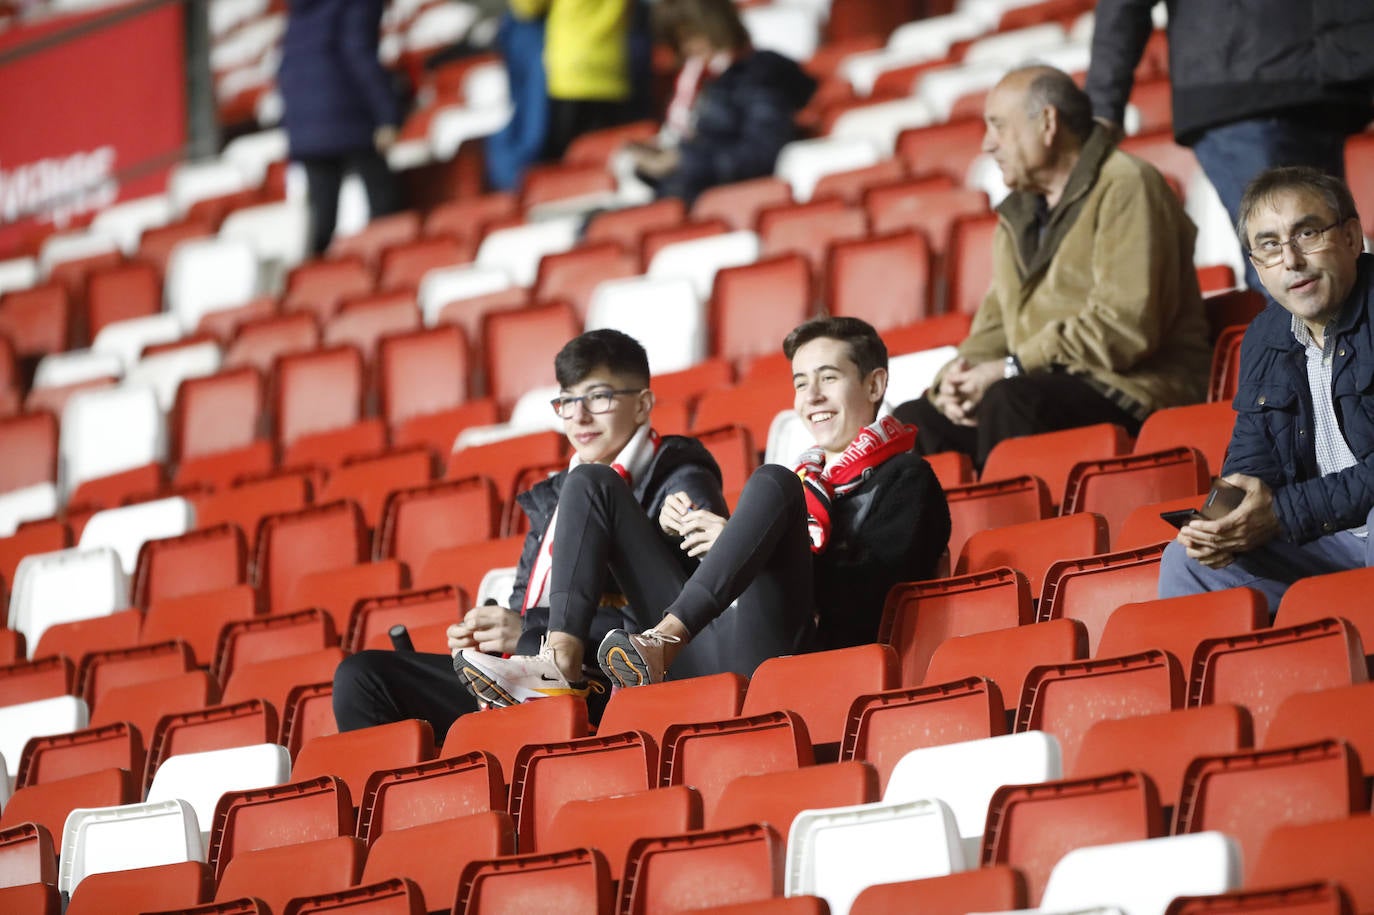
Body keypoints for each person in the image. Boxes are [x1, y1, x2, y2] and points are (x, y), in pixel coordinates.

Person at [457, 317, 951, 706]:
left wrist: (758, 548)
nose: (812, 397)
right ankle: (559, 660)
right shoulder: (810, 478)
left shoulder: (907, 480)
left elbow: (868, 602)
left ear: (873, 384)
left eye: (828, 378)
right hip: (711, 643)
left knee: (772, 480)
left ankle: (662, 641)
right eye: (801, 383)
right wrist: (729, 542)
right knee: (590, 480)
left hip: (799, 654)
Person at [332, 329, 726, 738]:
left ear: (643, 404)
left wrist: (525, 629)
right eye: (568, 401)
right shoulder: (556, 493)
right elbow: (527, 606)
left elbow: (686, 611)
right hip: (529, 665)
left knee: (585, 495)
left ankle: (549, 671)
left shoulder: (680, 477)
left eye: (598, 397)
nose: (580, 416)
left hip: (617, 673)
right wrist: (490, 637)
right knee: (362, 677)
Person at [893, 65, 1211, 471]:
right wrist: (956, 380)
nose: (988, 145)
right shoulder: (1018, 214)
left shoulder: (1127, 184)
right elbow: (993, 328)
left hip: (1135, 389)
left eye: (998, 127)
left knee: (1010, 399)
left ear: (1047, 123)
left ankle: (1010, 534)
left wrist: (1012, 367)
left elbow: (1126, 327)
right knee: (913, 422)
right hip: (1040, 385)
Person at [1159, 167, 1374, 613]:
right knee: (1188, 562)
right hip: (1325, 535)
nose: (1291, 260)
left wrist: (1281, 513)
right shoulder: (1265, 335)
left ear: (1352, 238)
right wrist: (1229, 519)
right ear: (1257, 266)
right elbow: (1252, 454)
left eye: (1307, 233)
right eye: (1270, 246)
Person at [1084, 0, 1374, 292]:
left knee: (1334, 259)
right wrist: (1103, 105)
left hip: (1325, 84)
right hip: (1241, 92)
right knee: (1291, 266)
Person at [625, 0, 816, 206]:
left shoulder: (759, 74)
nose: (687, 49)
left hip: (730, 203)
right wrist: (654, 164)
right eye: (678, 41)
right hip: (687, 199)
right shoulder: (699, 81)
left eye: (690, 36)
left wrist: (683, 161)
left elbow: (763, 153)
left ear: (716, 25)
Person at [278, 0, 403, 256]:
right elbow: (359, 53)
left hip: (305, 122)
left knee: (322, 221)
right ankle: (390, 274)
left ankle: (320, 284)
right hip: (348, 113)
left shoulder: (299, 9)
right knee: (385, 208)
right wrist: (387, 113)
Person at [508, 0, 635, 162]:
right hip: (613, 74)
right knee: (608, 161)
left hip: (571, 76)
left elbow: (527, 7)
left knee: (564, 166)